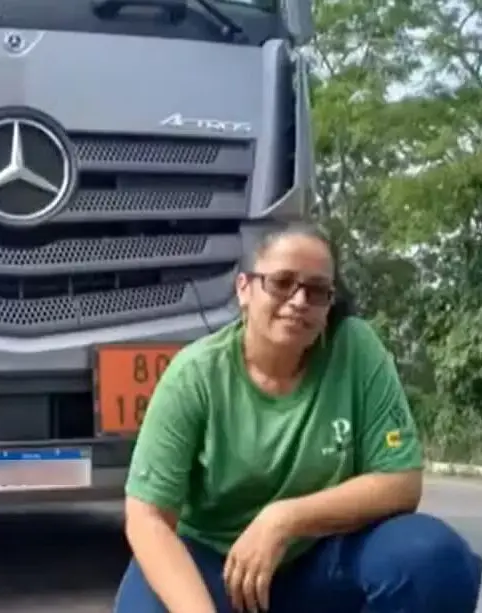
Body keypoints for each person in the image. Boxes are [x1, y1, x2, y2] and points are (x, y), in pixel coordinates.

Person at [114, 223, 481, 613]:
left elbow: (400, 481)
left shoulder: (355, 350)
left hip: (322, 560)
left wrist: (284, 520)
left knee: (434, 559)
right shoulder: (196, 375)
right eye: (282, 282)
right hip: (216, 564)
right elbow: (147, 518)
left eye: (317, 290)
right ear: (244, 289)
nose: (299, 300)